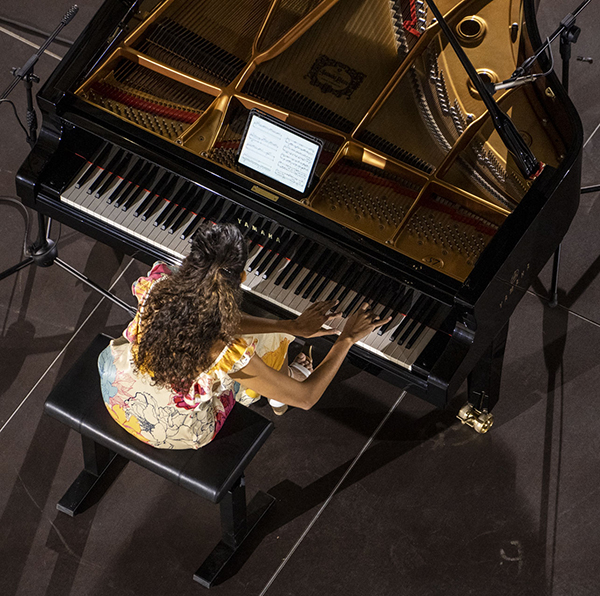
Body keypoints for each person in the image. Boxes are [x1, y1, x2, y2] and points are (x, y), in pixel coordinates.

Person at [98, 223, 390, 449]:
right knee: (266, 343)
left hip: (116, 391)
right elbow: (306, 398)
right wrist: (347, 338)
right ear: (241, 278)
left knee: (272, 334)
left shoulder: (158, 286)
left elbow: (211, 322)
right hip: (176, 431)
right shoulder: (223, 352)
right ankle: (280, 389)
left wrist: (290, 325)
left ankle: (279, 373)